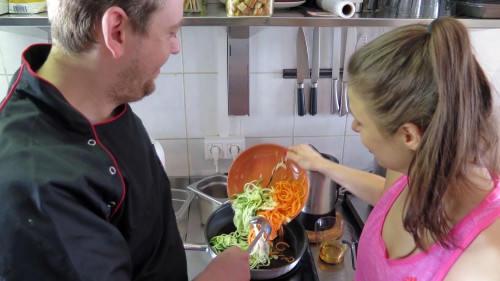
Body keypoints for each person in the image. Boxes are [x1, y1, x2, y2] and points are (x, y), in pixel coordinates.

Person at [0, 0, 250, 280]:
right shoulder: (39, 192)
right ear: (117, 31)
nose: (175, 47)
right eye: (170, 32)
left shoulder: (100, 97)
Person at [287, 17, 499, 280]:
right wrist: (322, 165)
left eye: (362, 122)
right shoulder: (416, 163)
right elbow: (389, 195)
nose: (354, 127)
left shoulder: (483, 259)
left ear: (409, 135)